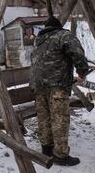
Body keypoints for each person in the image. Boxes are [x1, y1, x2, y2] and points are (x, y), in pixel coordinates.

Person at [29, 16, 89, 166]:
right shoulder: (63, 36)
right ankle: (60, 156)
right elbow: (78, 53)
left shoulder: (38, 40)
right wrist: (82, 72)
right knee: (59, 119)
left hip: (38, 87)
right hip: (57, 86)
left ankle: (47, 149)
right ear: (58, 27)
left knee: (44, 118)